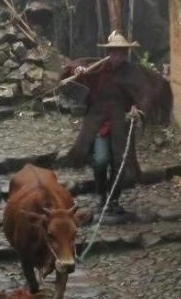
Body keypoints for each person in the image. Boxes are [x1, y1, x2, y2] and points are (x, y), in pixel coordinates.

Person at [57, 30, 160, 220]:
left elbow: (145, 93)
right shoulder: (98, 68)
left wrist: (139, 109)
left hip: (121, 123)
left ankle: (113, 200)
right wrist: (77, 71)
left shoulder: (133, 72)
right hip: (99, 123)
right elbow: (74, 67)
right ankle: (101, 196)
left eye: (121, 52)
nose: (116, 56)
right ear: (108, 52)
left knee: (119, 163)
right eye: (113, 52)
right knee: (101, 160)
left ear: (126, 54)